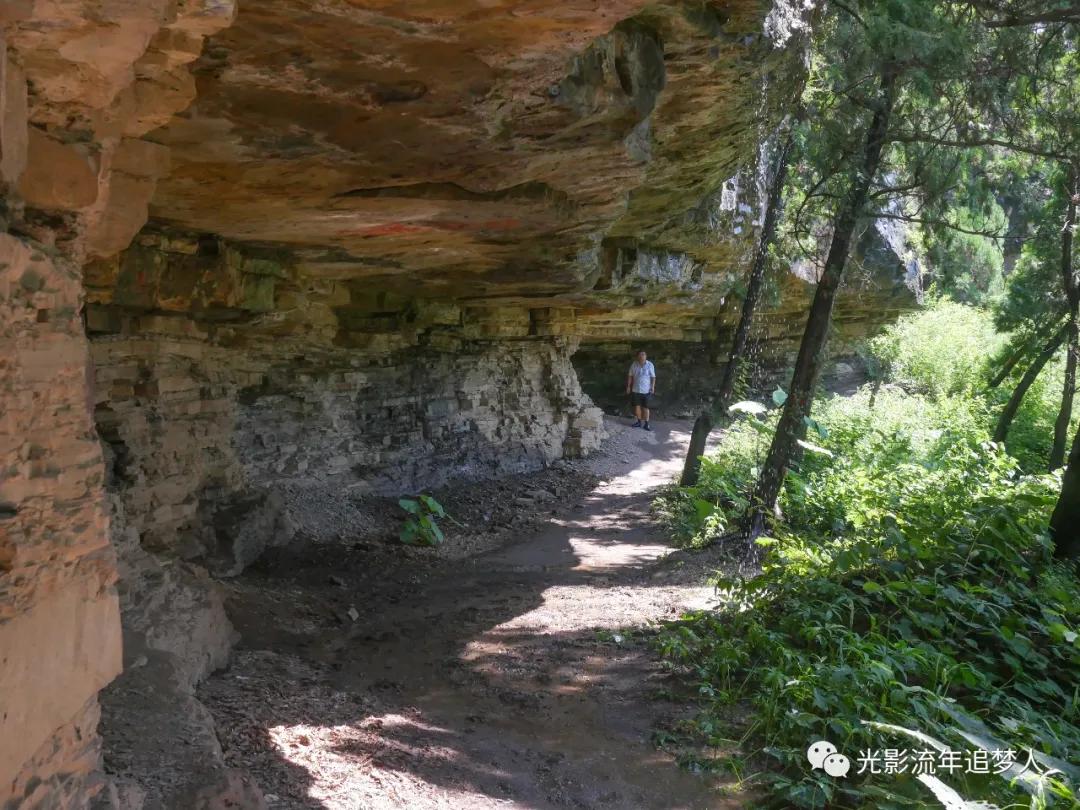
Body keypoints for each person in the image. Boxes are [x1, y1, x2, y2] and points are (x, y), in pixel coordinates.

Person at [626, 350, 656, 431]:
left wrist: (652, 387)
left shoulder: (650, 365)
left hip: (646, 390)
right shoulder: (634, 364)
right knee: (637, 407)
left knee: (645, 407)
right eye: (640, 355)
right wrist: (628, 386)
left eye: (643, 354)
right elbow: (630, 376)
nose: (641, 356)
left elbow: (653, 377)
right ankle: (639, 422)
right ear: (637, 356)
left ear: (646, 356)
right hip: (636, 389)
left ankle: (646, 424)